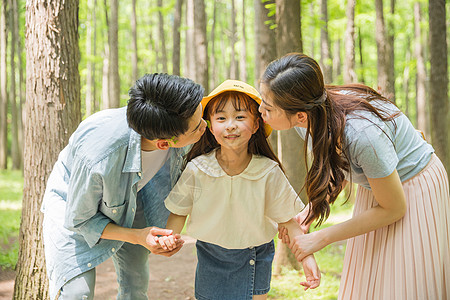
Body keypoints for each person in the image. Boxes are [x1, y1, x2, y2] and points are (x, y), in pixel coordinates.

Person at [259, 53, 450, 300]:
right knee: (371, 280)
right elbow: (339, 167)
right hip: (378, 186)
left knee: (403, 281)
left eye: (268, 106)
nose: (260, 109)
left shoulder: (362, 134)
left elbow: (394, 208)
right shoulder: (308, 119)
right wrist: (310, 212)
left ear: (300, 115)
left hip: (413, 186)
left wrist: (320, 238)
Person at [41, 73, 208, 300]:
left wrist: (163, 237)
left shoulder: (168, 122)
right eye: (197, 127)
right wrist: (138, 236)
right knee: (77, 293)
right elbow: (79, 218)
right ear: (163, 144)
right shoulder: (100, 156)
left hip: (133, 196)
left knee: (136, 284)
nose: (204, 126)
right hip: (73, 205)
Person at [155, 80, 321, 300]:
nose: (230, 125)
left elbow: (288, 222)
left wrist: (307, 258)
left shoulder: (268, 171)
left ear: (255, 125)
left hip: (255, 255)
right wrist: (169, 238)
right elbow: (178, 211)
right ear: (210, 126)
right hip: (209, 255)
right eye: (221, 118)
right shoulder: (198, 168)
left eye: (240, 117)